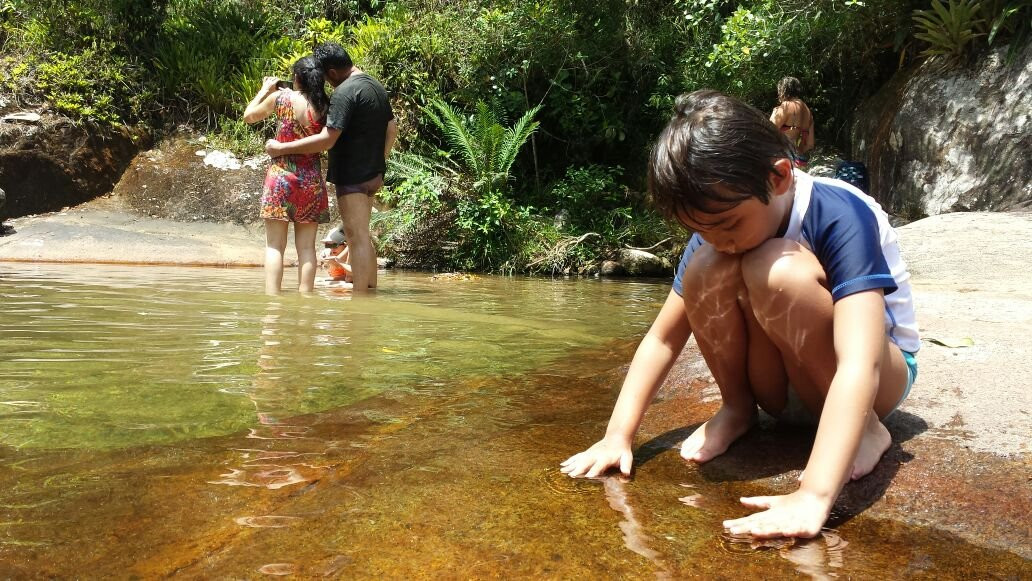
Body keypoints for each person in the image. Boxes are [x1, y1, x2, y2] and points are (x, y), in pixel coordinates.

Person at [560, 90, 919, 540]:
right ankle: (737, 409)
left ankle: (866, 429)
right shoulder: (715, 233)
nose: (719, 238)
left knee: (778, 270)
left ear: (780, 178)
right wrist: (618, 436)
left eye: (728, 224)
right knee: (704, 269)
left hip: (874, 380)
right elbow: (663, 339)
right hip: (785, 387)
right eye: (699, 229)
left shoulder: (839, 212)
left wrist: (813, 494)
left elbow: (860, 361)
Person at [266, 42, 398, 293]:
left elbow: (328, 139)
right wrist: (379, 162)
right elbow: (391, 129)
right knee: (363, 233)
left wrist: (281, 149)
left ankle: (360, 301)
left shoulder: (345, 92)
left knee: (355, 236)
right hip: (373, 174)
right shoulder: (375, 86)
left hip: (353, 176)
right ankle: (370, 286)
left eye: (324, 76)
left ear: (333, 72)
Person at [244, 56, 331, 294]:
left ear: (296, 77)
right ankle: (306, 299)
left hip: (281, 176)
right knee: (306, 248)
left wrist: (264, 89)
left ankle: (273, 301)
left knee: (274, 246)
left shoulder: (280, 98)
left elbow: (248, 116)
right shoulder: (325, 105)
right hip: (310, 179)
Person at [770, 76, 815, 168]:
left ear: (783, 90)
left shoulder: (786, 105)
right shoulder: (808, 111)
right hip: (800, 159)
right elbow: (810, 143)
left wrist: (774, 114)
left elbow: (770, 130)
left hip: (783, 155)